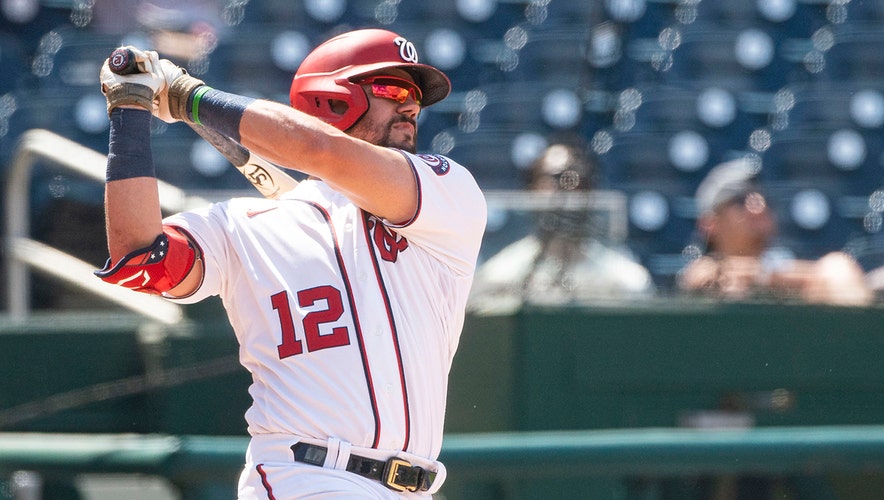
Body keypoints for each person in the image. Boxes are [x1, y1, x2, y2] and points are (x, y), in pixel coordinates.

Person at [94, 29, 487, 499]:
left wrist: (189, 97)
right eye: (392, 89)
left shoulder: (448, 194)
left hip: (414, 487)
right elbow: (140, 255)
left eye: (416, 96)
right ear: (332, 101)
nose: (410, 106)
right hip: (305, 476)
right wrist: (130, 111)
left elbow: (319, 152)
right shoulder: (246, 225)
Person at [467, 142, 655, 315]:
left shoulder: (620, 276)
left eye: (576, 177)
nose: (567, 187)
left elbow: (640, 293)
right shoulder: (504, 271)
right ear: (531, 189)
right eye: (554, 178)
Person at [677, 158, 872, 306]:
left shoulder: (786, 267)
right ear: (710, 223)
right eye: (739, 200)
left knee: (838, 266)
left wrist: (762, 277)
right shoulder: (703, 272)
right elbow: (699, 281)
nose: (757, 207)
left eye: (762, 199)